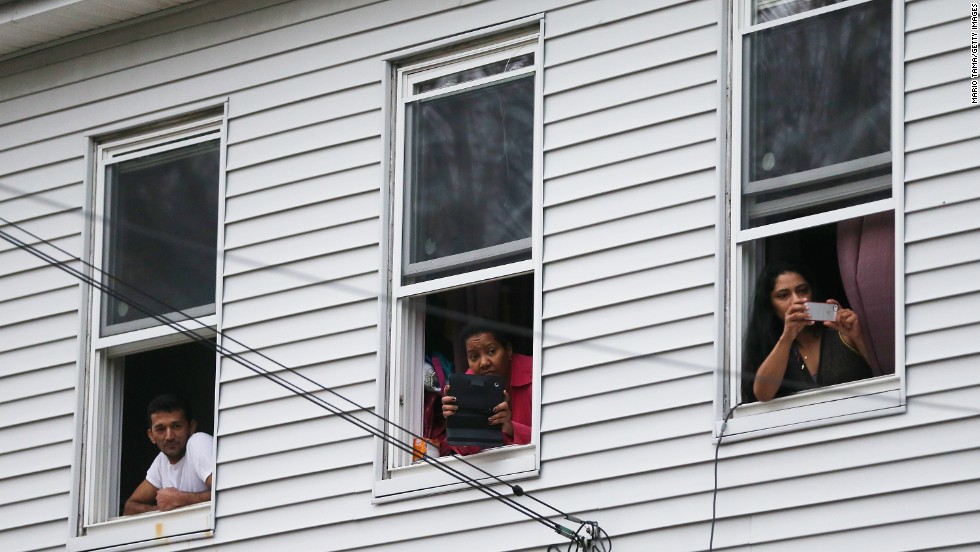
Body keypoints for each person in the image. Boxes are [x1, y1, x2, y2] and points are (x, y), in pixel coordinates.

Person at [742, 261, 872, 403]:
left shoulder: (842, 334)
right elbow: (762, 394)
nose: (797, 300)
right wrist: (787, 338)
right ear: (770, 307)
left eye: (802, 290)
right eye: (784, 295)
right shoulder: (776, 349)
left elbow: (883, 369)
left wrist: (857, 336)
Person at [441, 324, 532, 455]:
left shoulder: (536, 374)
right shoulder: (468, 385)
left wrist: (510, 427)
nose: (483, 363)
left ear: (508, 350)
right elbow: (465, 451)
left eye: (491, 351)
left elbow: (553, 440)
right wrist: (456, 422)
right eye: (474, 357)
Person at [123, 394, 213, 515]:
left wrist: (181, 499)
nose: (169, 436)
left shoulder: (198, 442)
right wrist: (162, 510)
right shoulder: (161, 461)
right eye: (160, 429)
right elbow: (130, 507)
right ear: (151, 436)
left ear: (191, 427)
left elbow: (226, 492)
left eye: (176, 426)